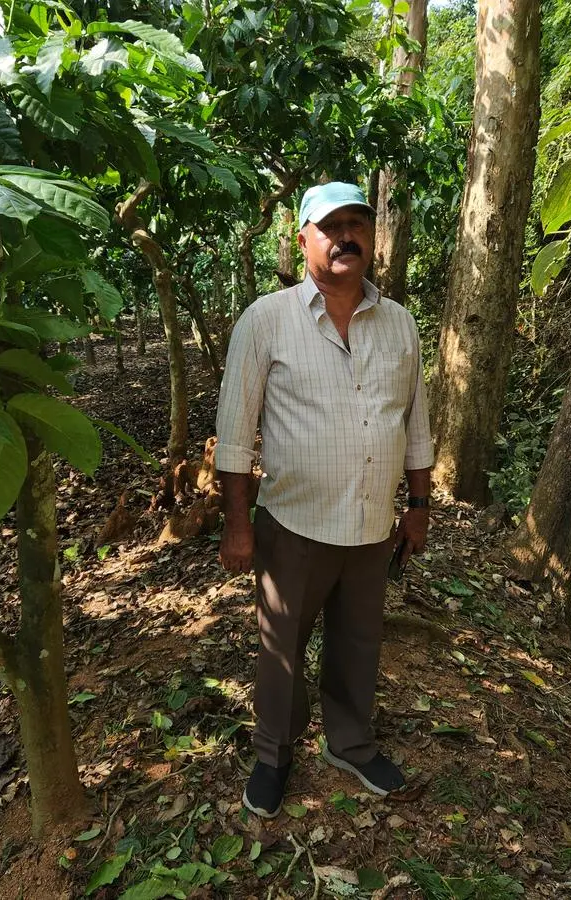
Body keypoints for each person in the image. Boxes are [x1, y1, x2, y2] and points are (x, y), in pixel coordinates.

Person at [215, 181, 434, 819]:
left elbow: (414, 421)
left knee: (359, 639)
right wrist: (237, 525)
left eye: (357, 226)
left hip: (371, 521)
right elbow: (234, 432)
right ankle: (273, 753)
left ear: (373, 237)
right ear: (302, 238)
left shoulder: (398, 323)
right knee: (281, 643)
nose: (346, 238)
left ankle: (351, 743)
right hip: (294, 522)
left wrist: (417, 506)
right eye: (330, 226)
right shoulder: (267, 320)